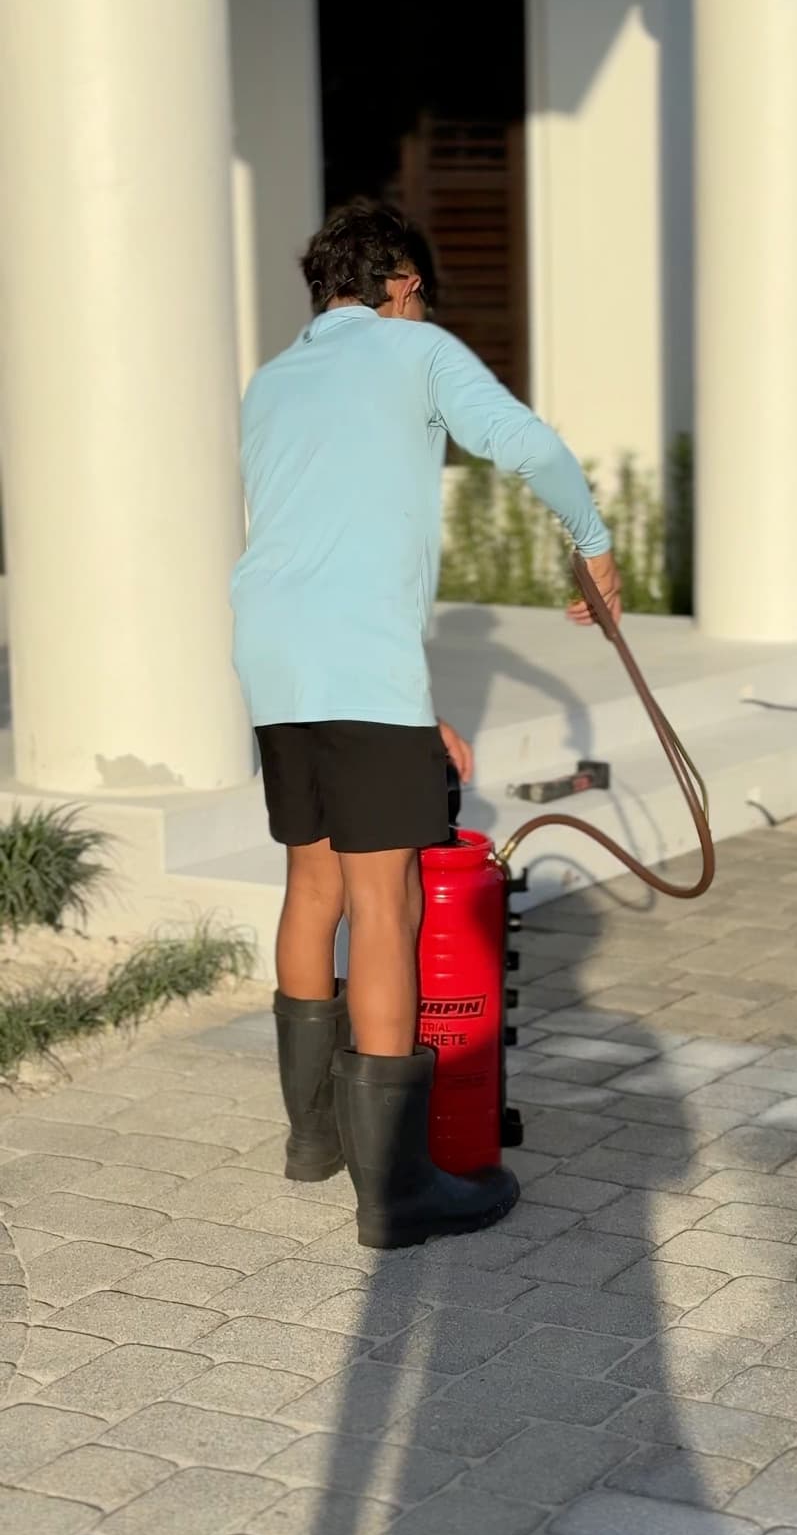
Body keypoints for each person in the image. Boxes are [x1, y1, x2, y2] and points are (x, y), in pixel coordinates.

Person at [231, 198, 623, 1250]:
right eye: (421, 293)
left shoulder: (270, 383)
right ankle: (397, 1192)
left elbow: (325, 544)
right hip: (356, 664)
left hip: (276, 657)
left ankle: (312, 1143)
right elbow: (527, 444)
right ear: (400, 281)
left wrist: (421, 708)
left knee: (312, 884)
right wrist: (592, 541)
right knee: (385, 899)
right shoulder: (416, 353)